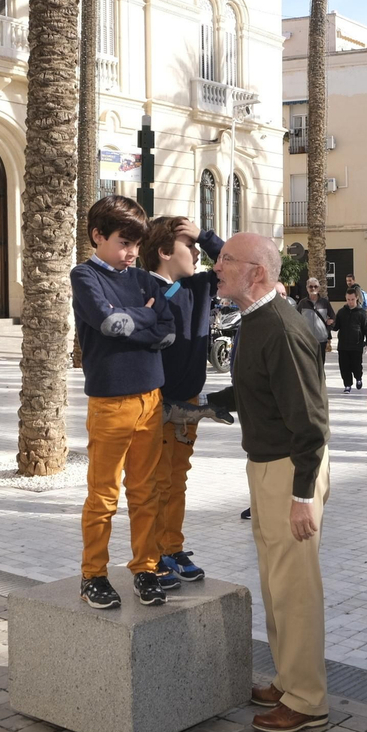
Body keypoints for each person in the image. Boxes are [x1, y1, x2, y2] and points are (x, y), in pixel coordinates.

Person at [202, 233, 330, 732]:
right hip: (269, 467)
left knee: (294, 589)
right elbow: (260, 388)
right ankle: (288, 679)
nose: (217, 267)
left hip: (289, 471)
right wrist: (212, 401)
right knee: (277, 583)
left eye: (227, 261)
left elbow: (311, 421)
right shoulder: (257, 320)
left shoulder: (278, 326)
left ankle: (306, 701)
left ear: (257, 272)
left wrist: (302, 497)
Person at [72, 196, 176, 610]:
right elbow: (109, 323)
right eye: (124, 242)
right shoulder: (84, 276)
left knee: (146, 492)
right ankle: (93, 574)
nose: (132, 252)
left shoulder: (145, 279)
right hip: (110, 402)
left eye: (136, 244)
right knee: (103, 496)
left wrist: (137, 318)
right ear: (98, 236)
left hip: (151, 398)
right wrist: (143, 318)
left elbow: (168, 331)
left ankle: (146, 568)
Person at [137, 215, 224, 588]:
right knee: (156, 483)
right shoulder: (145, 287)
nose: (197, 253)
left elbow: (230, 263)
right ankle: (152, 554)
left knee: (177, 480)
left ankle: (172, 547)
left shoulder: (200, 286)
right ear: (164, 252)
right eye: (188, 246)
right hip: (156, 403)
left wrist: (202, 235)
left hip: (188, 403)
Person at [331, 288, 367, 392]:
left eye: (352, 299)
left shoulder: (362, 313)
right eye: (348, 299)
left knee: (356, 366)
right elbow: (336, 327)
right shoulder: (341, 312)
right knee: (344, 366)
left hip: (356, 345)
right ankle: (347, 385)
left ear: (357, 298)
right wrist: (332, 323)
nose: (350, 302)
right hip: (343, 345)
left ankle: (358, 378)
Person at [295, 278, 333, 367]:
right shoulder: (302, 303)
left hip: (321, 340)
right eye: (310, 286)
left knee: (320, 365)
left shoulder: (324, 302)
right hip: (307, 340)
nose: (313, 289)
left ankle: (320, 381)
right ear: (307, 288)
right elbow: (295, 319)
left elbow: (333, 318)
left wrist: (326, 331)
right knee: (308, 365)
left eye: (315, 286)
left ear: (319, 288)